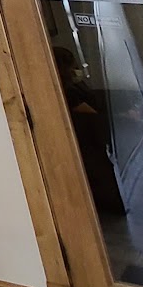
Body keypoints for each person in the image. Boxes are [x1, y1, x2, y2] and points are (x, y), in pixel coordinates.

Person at [52, 44, 126, 215]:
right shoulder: (68, 91)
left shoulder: (76, 85)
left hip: (93, 136)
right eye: (71, 65)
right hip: (87, 138)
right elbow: (89, 112)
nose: (76, 68)